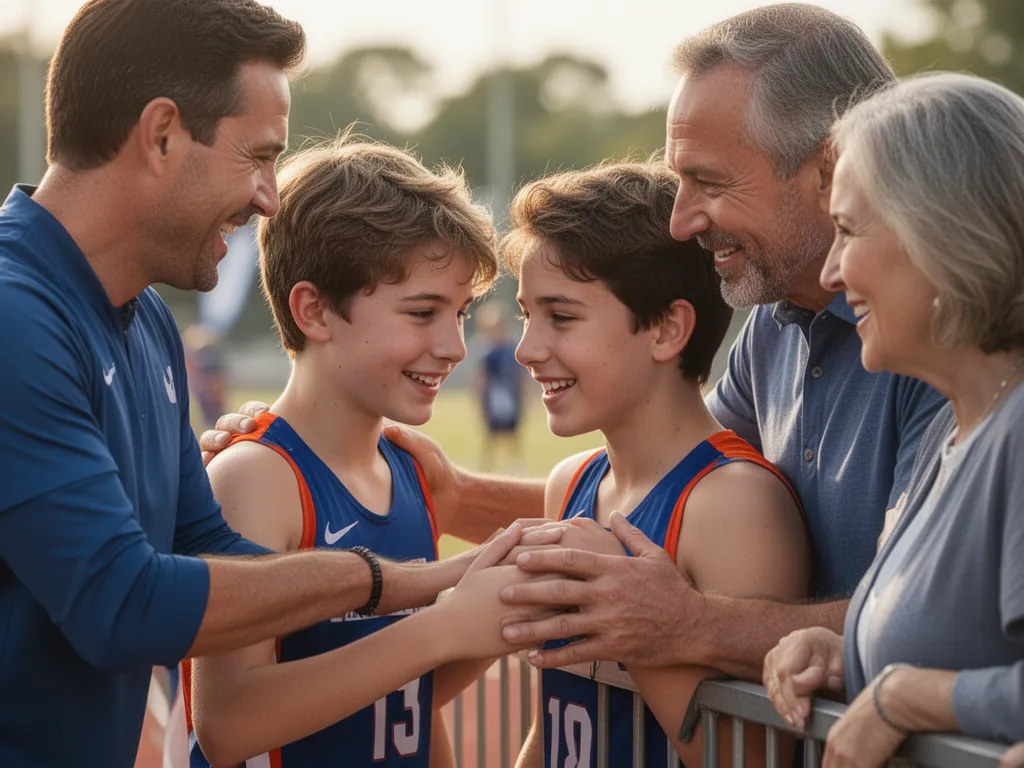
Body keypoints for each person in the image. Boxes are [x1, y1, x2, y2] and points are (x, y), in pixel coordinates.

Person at [201, 3, 946, 687]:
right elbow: (665, 481)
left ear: (828, 168)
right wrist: (459, 496)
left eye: (707, 182)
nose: (684, 219)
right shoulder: (779, 328)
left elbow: (942, 614)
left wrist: (688, 626)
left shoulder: (953, 341)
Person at [0, 2, 542, 764]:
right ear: (160, 135)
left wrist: (447, 584)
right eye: (257, 156)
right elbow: (123, 603)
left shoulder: (146, 320)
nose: (269, 197)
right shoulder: (14, 314)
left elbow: (211, 548)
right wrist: (388, 584)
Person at [186, 138, 503, 767]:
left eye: (461, 313)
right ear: (314, 310)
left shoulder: (409, 467)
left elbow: (399, 698)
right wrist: (443, 627)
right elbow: (227, 722)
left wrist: (493, 622)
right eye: (422, 312)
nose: (454, 346)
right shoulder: (256, 476)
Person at [504, 160, 809, 767]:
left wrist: (623, 613)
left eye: (561, 317)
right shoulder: (572, 484)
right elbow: (561, 720)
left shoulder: (732, 504)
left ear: (668, 329)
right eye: (526, 314)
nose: (528, 349)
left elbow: (746, 757)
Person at [763, 73, 1024, 765]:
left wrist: (905, 698)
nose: (831, 271)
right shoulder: (953, 425)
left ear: (939, 231)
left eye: (846, 230)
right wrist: (850, 653)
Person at [474, 302, 526, 474]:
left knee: (513, 434)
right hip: (495, 398)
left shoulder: (511, 349)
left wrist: (522, 396)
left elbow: (519, 375)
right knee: (491, 435)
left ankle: (516, 466)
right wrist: (481, 400)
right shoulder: (489, 353)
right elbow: (483, 378)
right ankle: (486, 468)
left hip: (510, 397)